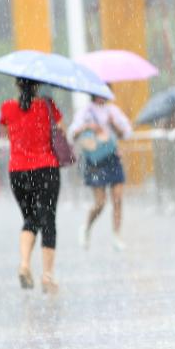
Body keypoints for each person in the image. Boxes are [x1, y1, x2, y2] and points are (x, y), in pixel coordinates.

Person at [0, 78, 63, 294]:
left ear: (17, 85)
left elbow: (8, 132)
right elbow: (60, 131)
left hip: (18, 170)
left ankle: (25, 264)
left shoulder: (7, 107)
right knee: (48, 220)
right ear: (37, 85)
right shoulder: (47, 105)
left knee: (30, 219)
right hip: (46, 168)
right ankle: (47, 276)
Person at [69, 94, 133, 251]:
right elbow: (72, 135)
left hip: (112, 157)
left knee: (117, 198)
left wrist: (113, 124)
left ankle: (117, 235)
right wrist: (87, 127)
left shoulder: (112, 110)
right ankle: (86, 227)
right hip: (95, 160)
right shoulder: (85, 113)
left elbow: (126, 133)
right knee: (100, 203)